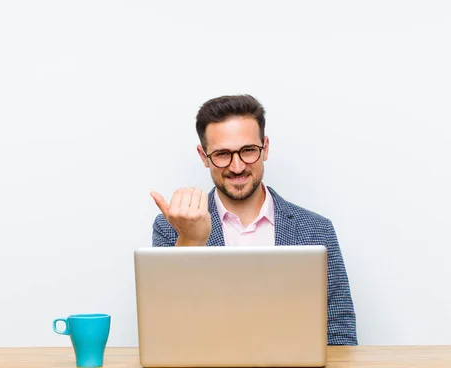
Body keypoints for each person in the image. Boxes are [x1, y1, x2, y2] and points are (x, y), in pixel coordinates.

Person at [150, 94, 358, 345]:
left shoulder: (317, 230)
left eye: (248, 150)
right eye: (222, 154)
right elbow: (165, 336)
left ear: (265, 148)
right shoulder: (172, 229)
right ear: (204, 156)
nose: (237, 167)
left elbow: (340, 337)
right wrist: (191, 242)